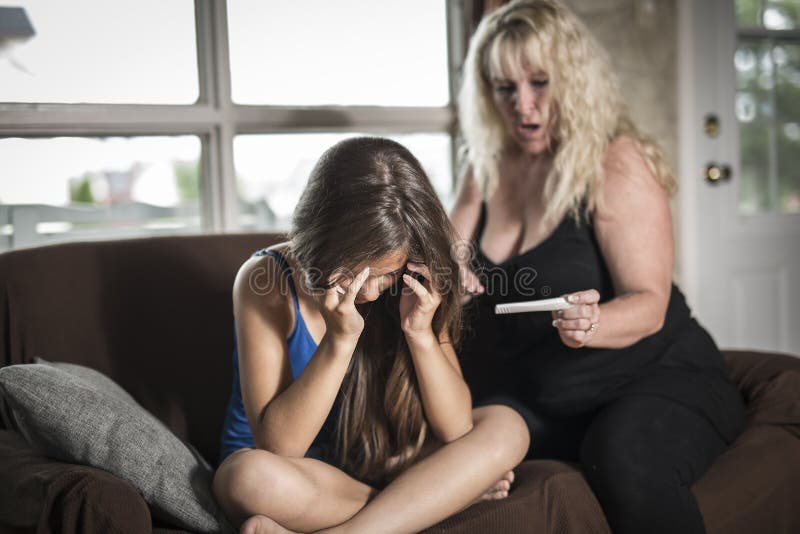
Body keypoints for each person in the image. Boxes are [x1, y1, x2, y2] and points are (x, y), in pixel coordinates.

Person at [451, 1, 747, 533]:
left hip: (650, 378)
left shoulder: (614, 162)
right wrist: (449, 270)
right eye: (504, 88)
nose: (522, 105)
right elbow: (447, 248)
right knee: (447, 452)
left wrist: (594, 323)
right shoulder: (486, 165)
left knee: (623, 456)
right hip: (541, 394)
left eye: (540, 82)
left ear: (573, 78)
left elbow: (650, 305)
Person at [212, 137, 529, 534]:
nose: (372, 292)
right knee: (246, 479)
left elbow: (456, 427)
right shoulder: (264, 279)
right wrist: (339, 341)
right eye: (358, 271)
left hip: (374, 466)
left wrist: (421, 334)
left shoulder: (413, 283)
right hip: (294, 477)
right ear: (326, 241)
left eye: (388, 274)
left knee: (507, 426)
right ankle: (427, 503)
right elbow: (280, 447)